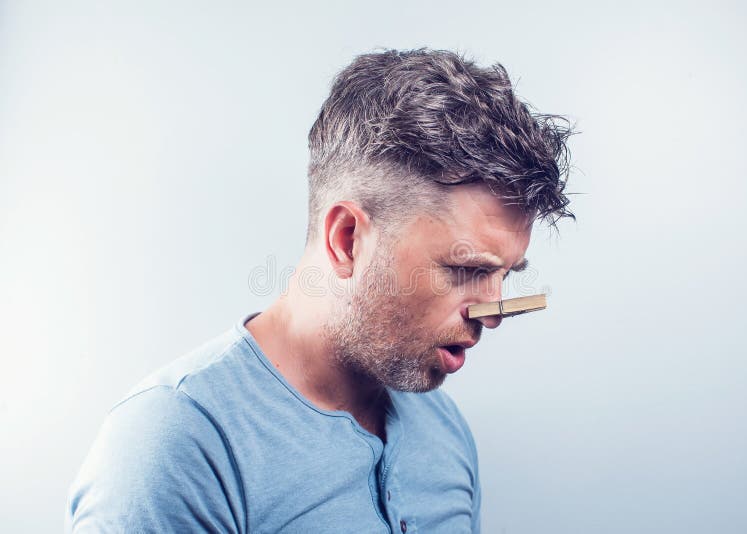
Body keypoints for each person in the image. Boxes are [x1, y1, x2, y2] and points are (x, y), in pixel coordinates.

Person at [65, 48, 573, 533]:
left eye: (508, 274)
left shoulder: (445, 430)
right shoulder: (176, 447)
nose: (492, 314)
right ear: (347, 239)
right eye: (464, 269)